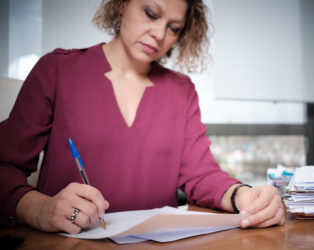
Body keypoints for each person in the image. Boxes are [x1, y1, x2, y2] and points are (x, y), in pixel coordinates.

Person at [0, 0, 285, 234]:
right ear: (122, 5)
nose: (160, 34)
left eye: (174, 28)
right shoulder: (57, 70)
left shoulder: (181, 90)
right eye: (150, 13)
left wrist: (244, 196)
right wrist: (37, 209)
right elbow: (4, 165)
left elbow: (202, 175)